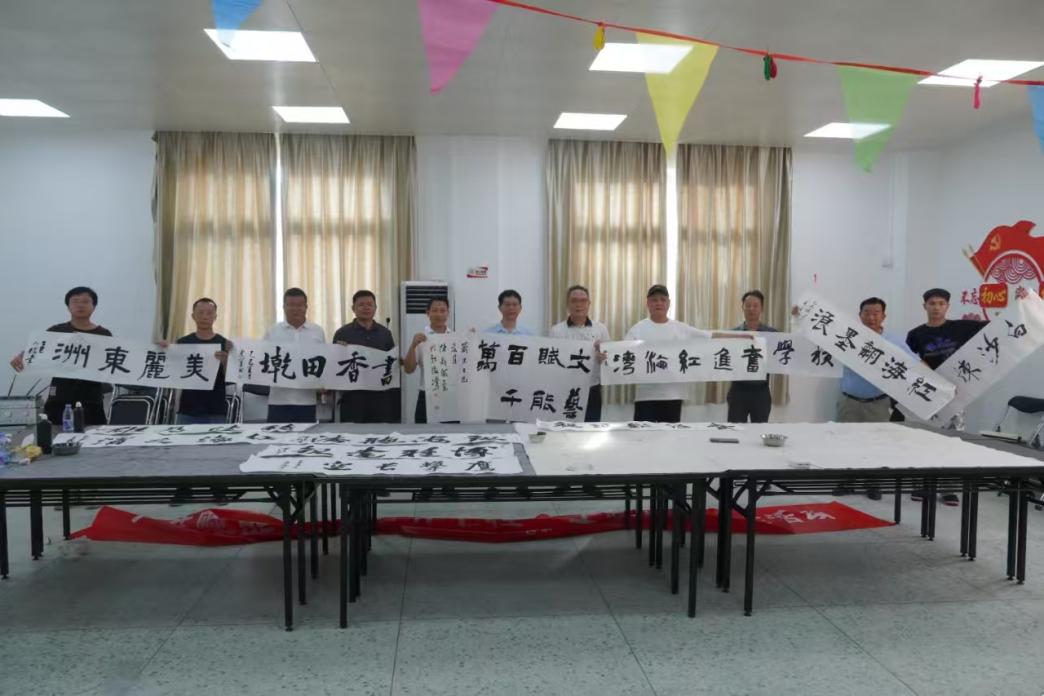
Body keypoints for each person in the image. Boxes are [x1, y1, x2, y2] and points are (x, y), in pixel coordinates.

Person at [906, 288, 985, 506]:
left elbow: (999, 327)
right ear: (924, 306)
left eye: (941, 303)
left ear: (947, 306)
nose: (936, 308)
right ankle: (922, 484)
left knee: (952, 440)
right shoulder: (915, 335)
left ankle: (948, 488)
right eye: (932, 303)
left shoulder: (961, 327)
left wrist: (1020, 302)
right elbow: (910, 362)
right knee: (924, 439)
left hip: (954, 395)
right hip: (927, 395)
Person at [10, 286, 112, 426]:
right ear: (68, 306)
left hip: (91, 397)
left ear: (93, 306)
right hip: (60, 396)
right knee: (54, 433)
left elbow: (109, 362)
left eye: (85, 301)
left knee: (93, 434)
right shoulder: (56, 331)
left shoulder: (104, 334)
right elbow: (37, 350)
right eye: (75, 301)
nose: (80, 305)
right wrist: (22, 356)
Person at [624, 284, 712, 423]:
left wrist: (741, 337)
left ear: (669, 303)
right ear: (648, 303)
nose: (659, 303)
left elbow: (708, 337)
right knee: (642, 435)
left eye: (662, 299)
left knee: (670, 435)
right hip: (646, 396)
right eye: (654, 300)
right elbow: (622, 354)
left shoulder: (680, 328)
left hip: (673, 396)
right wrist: (605, 353)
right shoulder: (637, 329)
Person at [333, 290, 398, 423]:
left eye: (369, 304)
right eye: (361, 304)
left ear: (375, 308)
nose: (366, 308)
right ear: (353, 308)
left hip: (380, 396)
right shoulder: (342, 333)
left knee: (380, 432)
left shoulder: (385, 333)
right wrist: (339, 350)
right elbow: (334, 363)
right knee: (352, 433)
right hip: (353, 397)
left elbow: (391, 362)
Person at [549, 285, 611, 422]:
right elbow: (552, 363)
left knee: (591, 429)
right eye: (574, 300)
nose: (579, 304)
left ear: (589, 304)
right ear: (568, 304)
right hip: (565, 389)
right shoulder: (556, 331)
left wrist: (603, 357)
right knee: (565, 428)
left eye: (583, 300)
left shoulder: (600, 329)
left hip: (592, 389)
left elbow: (610, 361)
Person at [263, 288, 326, 423]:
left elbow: (324, 362)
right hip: (278, 400)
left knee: (305, 436)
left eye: (299, 305)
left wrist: (323, 384)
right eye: (291, 305)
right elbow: (262, 359)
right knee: (275, 436)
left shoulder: (317, 331)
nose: (295, 309)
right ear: (284, 307)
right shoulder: (273, 331)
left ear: (306, 307)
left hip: (307, 400)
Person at [169, 298, 231, 425]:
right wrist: (164, 350)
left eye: (209, 313)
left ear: (215, 317)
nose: (204, 317)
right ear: (193, 316)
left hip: (215, 409)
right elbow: (172, 371)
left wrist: (226, 361)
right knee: (184, 438)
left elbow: (230, 377)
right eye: (200, 312)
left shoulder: (224, 344)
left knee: (215, 438)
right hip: (187, 408)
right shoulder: (182, 343)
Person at [726, 290, 778, 423]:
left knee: (759, 431)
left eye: (755, 306)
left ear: (762, 308)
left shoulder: (772, 334)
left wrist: (796, 319)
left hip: (761, 391)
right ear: (742, 308)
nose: (751, 309)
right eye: (748, 305)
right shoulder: (732, 334)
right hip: (738, 390)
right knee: (736, 429)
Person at [402, 296, 451, 423]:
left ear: (448, 313)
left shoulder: (455, 338)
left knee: (451, 433)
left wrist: (471, 340)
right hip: (426, 394)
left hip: (449, 395)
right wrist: (413, 345)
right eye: (434, 310)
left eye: (443, 310)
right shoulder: (421, 338)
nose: (439, 314)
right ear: (428, 313)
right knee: (423, 432)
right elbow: (408, 369)